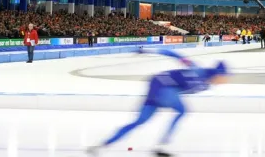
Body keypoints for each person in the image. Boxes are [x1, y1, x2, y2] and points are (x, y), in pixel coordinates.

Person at [88, 48, 228, 157]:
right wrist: (147, 51)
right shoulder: (197, 70)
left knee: (140, 121)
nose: (225, 81)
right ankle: (162, 145)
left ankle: (101, 145)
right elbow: (174, 54)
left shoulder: (206, 85)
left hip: (161, 89)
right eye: (224, 77)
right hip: (161, 83)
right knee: (182, 110)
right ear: (217, 74)